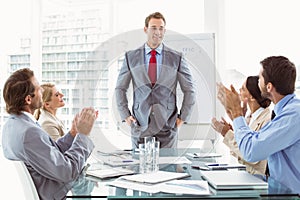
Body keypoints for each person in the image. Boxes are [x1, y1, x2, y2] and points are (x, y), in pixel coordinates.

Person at [1, 68, 97, 199]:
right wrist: (83, 135)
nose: (42, 91)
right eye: (38, 89)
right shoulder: (29, 132)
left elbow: (48, 152)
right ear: (28, 99)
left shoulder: (13, 124)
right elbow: (68, 172)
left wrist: (73, 134)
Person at [217, 56, 300, 193]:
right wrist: (238, 119)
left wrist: (237, 113)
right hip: (278, 191)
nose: (257, 81)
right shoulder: (283, 112)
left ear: (269, 86)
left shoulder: (293, 115)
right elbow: (256, 140)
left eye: (259, 77)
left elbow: (251, 151)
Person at [115, 12, 195, 148]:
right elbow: (120, 88)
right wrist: (126, 116)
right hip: (140, 126)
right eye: (153, 27)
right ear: (145, 29)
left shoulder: (177, 58)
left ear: (165, 30)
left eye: (161, 28)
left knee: (168, 167)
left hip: (168, 126)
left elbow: (189, 90)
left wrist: (182, 118)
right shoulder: (131, 57)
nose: (157, 31)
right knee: (140, 168)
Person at [212, 76, 271, 175]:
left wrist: (227, 133)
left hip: (258, 181)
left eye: (243, 89)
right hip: (246, 176)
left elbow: (252, 156)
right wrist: (233, 132)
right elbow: (239, 152)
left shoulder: (267, 121)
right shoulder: (250, 118)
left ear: (251, 97)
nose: (239, 90)